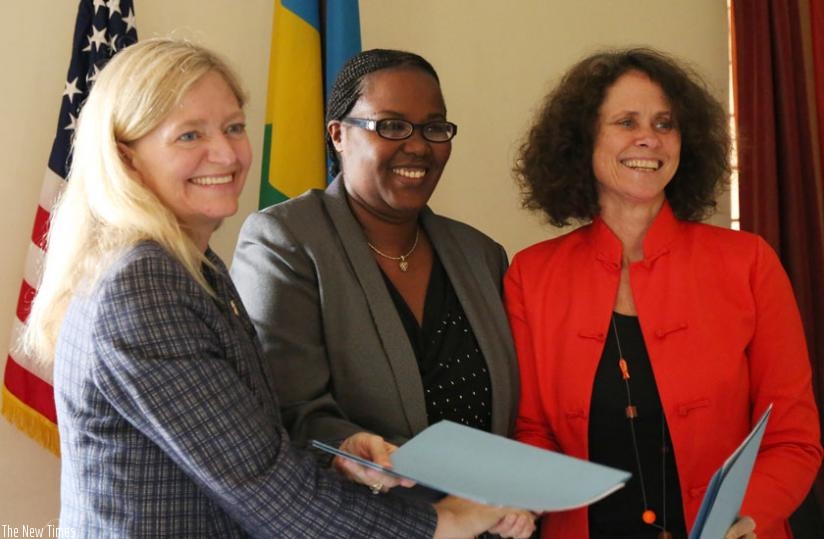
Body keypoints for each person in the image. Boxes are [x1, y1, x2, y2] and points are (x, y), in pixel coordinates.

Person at [23, 37, 534, 538]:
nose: (224, 153)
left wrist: (344, 452)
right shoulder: (145, 283)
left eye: (233, 127)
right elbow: (264, 486)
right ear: (126, 156)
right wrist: (442, 523)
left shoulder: (189, 266)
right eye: (189, 135)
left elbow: (246, 440)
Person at [505, 47, 822, 539]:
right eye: (626, 122)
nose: (648, 138)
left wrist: (747, 517)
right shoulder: (531, 273)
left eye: (665, 123)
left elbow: (793, 438)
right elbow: (531, 431)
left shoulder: (749, 262)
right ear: (582, 140)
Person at [231, 50, 519, 461]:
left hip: (490, 517)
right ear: (338, 135)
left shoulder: (481, 255)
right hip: (366, 516)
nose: (418, 146)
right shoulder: (285, 242)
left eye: (434, 128)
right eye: (392, 126)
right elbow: (290, 414)